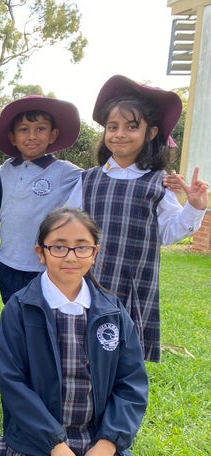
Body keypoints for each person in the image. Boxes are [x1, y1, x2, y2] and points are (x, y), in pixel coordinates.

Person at [0, 207, 171, 456]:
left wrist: (108, 445)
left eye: (81, 246)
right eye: (58, 246)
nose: (70, 256)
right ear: (40, 252)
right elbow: (13, 384)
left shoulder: (113, 312)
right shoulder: (20, 309)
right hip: (42, 440)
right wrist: (57, 448)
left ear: (94, 252)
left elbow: (131, 384)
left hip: (96, 435)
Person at [68, 75, 208, 362]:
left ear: (151, 132)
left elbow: (167, 233)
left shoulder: (158, 183)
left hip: (134, 282)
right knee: (84, 346)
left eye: (132, 126)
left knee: (125, 353)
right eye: (112, 126)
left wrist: (194, 207)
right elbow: (69, 227)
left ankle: (119, 390)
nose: (120, 134)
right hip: (90, 278)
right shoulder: (88, 180)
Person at [0, 95, 82, 304]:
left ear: (53, 135)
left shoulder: (63, 171)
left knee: (40, 315)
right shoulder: (4, 170)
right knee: (13, 312)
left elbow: (98, 179)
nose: (32, 136)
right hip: (7, 261)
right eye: (24, 130)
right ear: (13, 137)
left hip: (42, 265)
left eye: (40, 129)